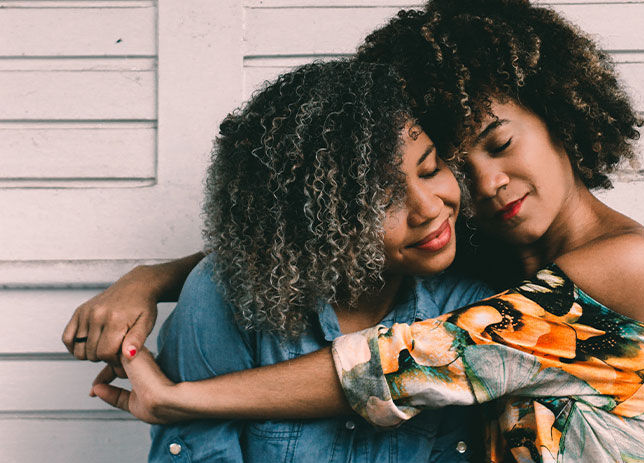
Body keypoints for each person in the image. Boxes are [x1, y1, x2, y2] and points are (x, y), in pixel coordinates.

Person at [68, 0, 644, 461]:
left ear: (559, 112)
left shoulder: (628, 264)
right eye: (455, 164)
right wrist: (150, 278)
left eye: (501, 144)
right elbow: (317, 235)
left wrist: (181, 400)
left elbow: (412, 364)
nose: (487, 184)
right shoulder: (508, 257)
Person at [78, 58, 495, 462]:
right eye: (381, 200)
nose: (428, 209)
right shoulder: (227, 299)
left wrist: (150, 283)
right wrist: (147, 279)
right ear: (315, 218)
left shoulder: (473, 306)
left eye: (429, 169)